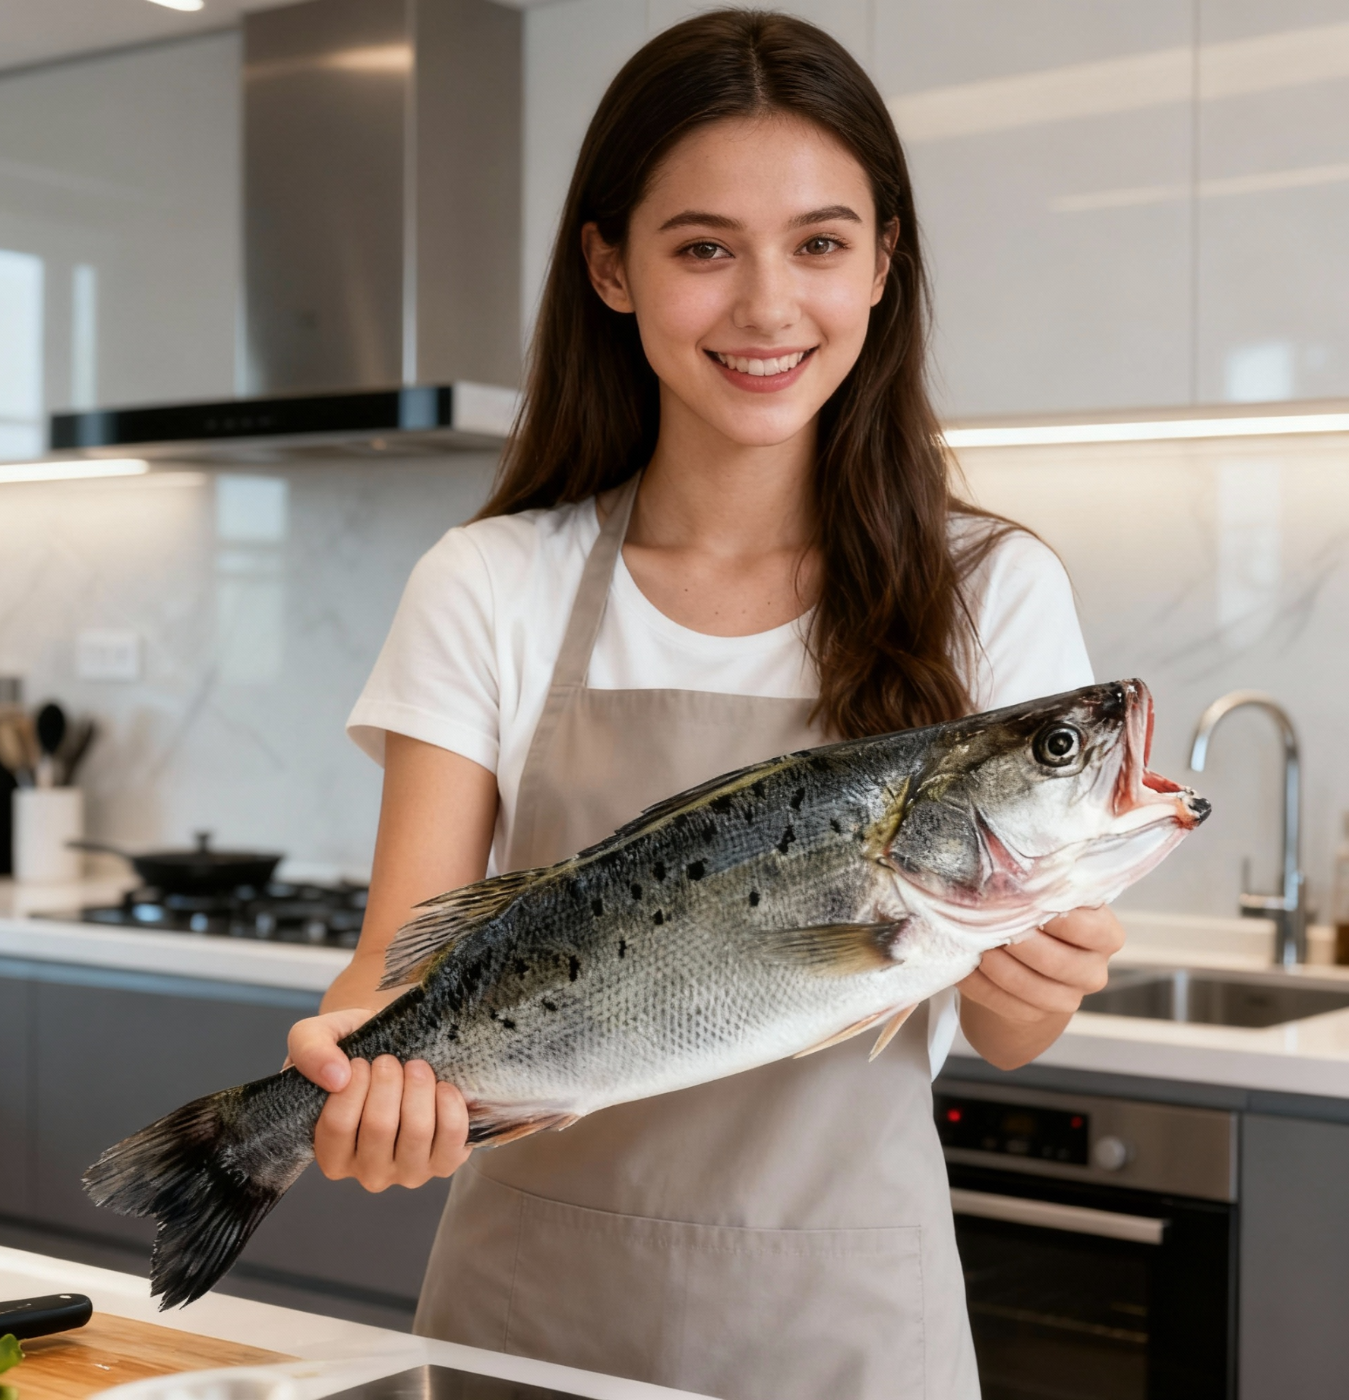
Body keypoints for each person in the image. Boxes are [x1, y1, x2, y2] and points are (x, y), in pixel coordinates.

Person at [288, 11, 1123, 1398]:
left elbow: (1002, 1030)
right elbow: (397, 973)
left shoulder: (996, 589)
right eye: (701, 248)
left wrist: (1048, 981)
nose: (766, 308)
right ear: (610, 266)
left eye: (818, 242)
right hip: (525, 1324)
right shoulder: (491, 582)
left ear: (882, 262)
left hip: (846, 1322)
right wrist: (345, 1075)